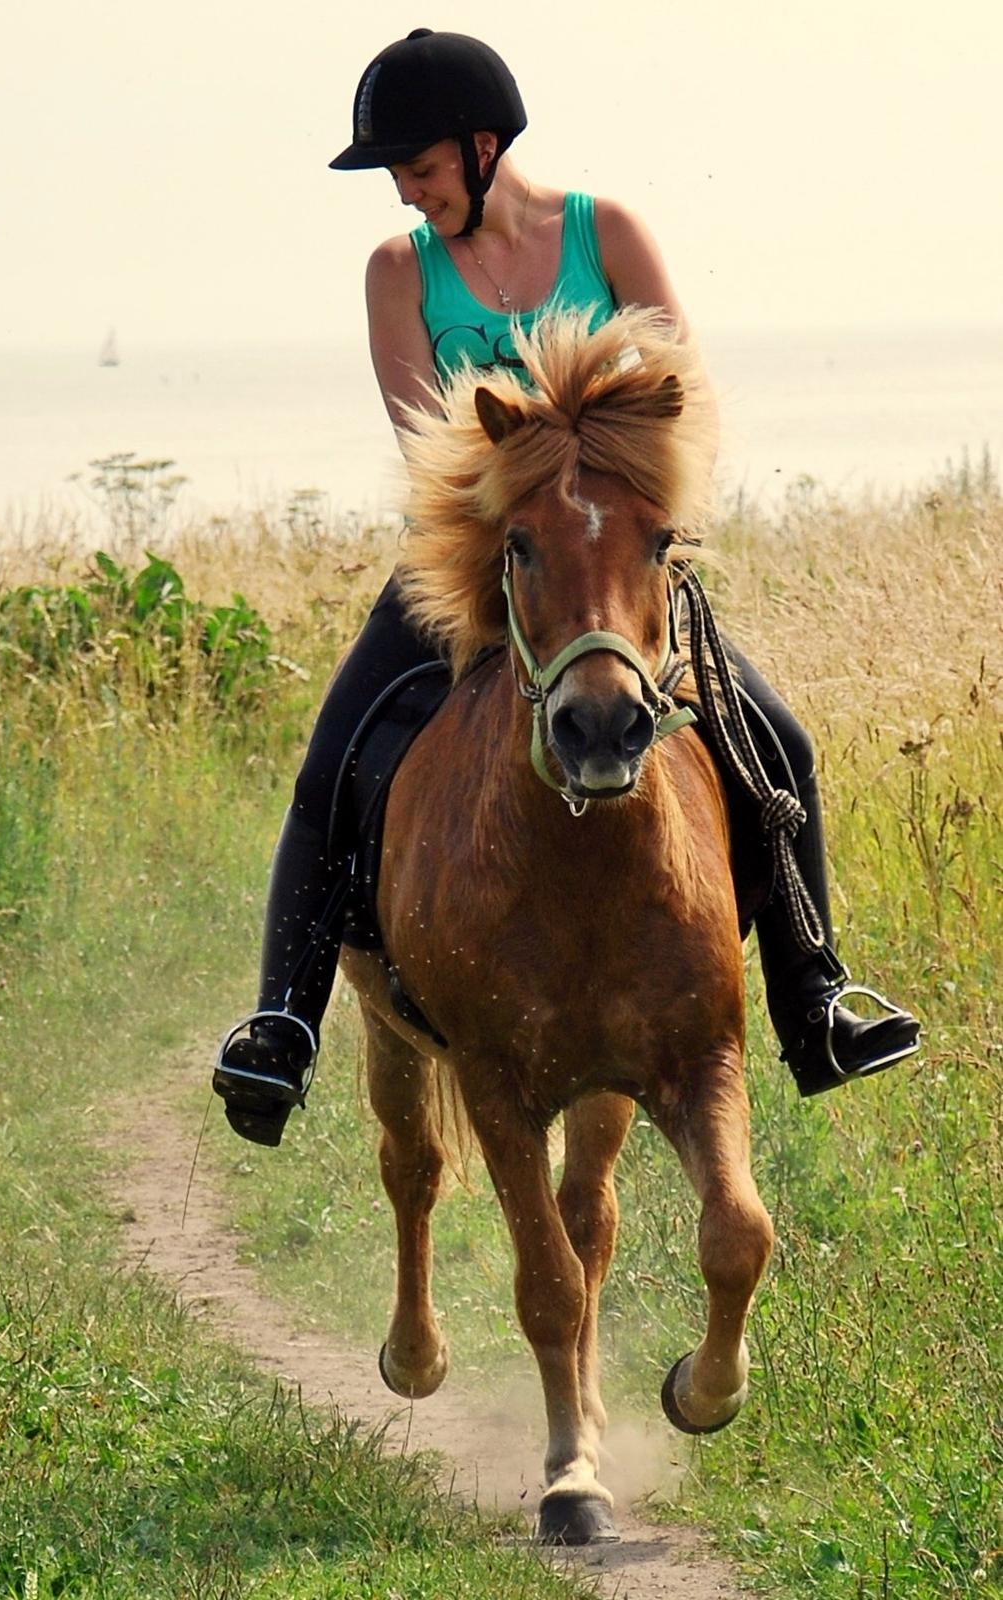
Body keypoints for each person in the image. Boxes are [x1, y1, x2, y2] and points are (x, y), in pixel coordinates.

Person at [213, 28, 919, 1146]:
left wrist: (597, 492)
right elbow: (427, 443)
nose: (407, 189)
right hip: (470, 566)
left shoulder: (607, 231)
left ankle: (815, 996)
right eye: (396, 174)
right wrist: (531, 490)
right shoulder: (398, 273)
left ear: (484, 145)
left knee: (778, 746)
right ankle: (282, 1023)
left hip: (613, 568)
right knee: (331, 765)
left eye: (422, 167)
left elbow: (680, 394)